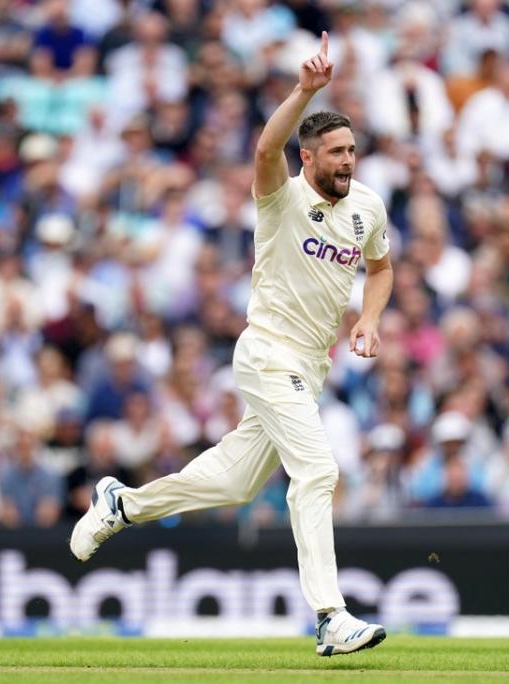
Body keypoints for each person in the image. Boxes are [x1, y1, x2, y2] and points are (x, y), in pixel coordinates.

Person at [69, 31, 392, 657]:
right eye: (335, 153)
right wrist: (304, 90)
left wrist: (370, 320)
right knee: (318, 471)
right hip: (268, 351)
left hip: (308, 366)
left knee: (237, 484)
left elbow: (380, 269)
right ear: (308, 156)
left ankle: (122, 504)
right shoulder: (281, 198)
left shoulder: (368, 208)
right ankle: (330, 614)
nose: (348, 162)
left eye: (353, 150)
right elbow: (266, 146)